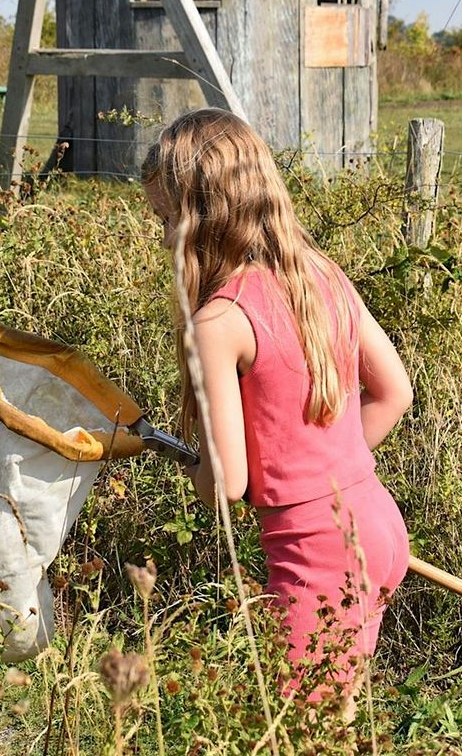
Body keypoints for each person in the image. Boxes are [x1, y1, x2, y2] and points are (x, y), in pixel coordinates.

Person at [140, 108, 415, 710]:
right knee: (334, 716)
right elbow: (395, 393)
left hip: (316, 552)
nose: (163, 239)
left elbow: (226, 485)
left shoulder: (218, 323)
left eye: (167, 219)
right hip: (376, 524)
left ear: (205, 216)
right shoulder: (320, 274)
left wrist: (203, 471)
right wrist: (319, 470)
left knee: (293, 725)